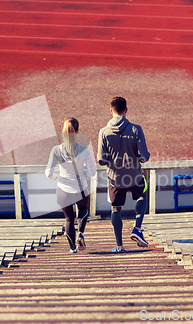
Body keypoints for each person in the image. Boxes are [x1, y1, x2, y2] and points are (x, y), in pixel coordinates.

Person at [97, 97, 150, 252]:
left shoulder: (103, 132)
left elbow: (101, 159)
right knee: (142, 195)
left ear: (111, 111)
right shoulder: (136, 129)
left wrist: (111, 161)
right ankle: (137, 228)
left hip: (115, 179)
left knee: (115, 209)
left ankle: (120, 246)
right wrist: (140, 158)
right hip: (134, 175)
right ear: (126, 110)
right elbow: (144, 155)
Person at [46, 117, 97, 253]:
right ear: (77, 131)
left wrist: (56, 177)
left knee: (69, 219)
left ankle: (72, 249)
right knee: (83, 211)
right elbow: (92, 172)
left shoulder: (56, 150)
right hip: (80, 189)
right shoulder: (84, 150)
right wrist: (82, 172)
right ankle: (80, 233)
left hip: (63, 190)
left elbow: (48, 173)